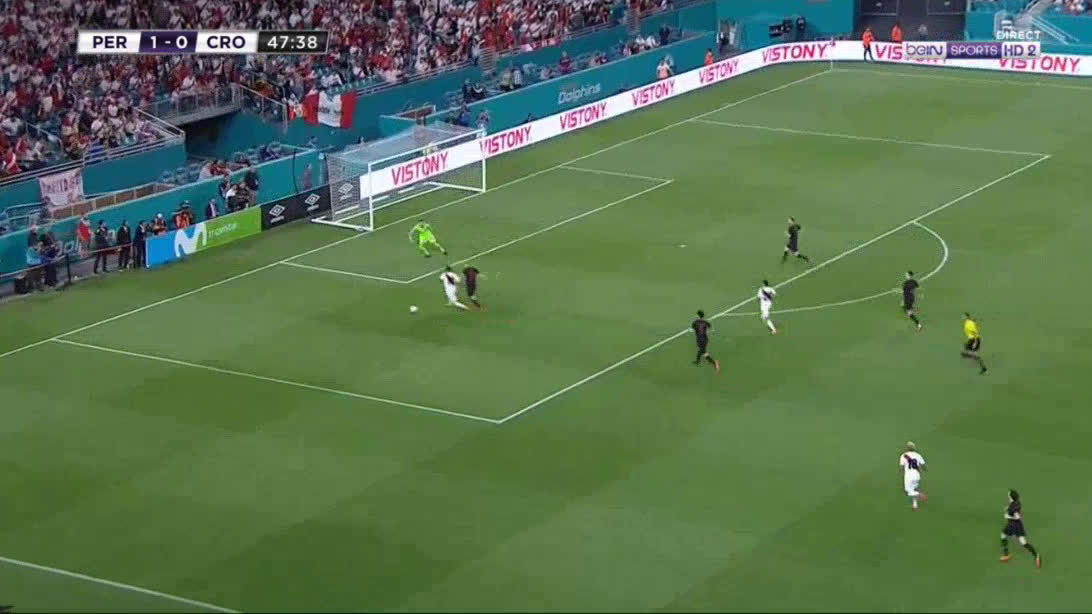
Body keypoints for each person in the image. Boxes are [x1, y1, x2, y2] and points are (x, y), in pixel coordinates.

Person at [1000, 490, 1041, 568]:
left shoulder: (1012, 507)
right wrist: (1008, 508)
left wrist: (1007, 516)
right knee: (1023, 542)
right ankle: (1036, 555)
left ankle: (1006, 555)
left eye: (1009, 493)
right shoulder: (1017, 502)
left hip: (1012, 525)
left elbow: (1018, 517)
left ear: (1011, 496)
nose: (1008, 494)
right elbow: (1017, 511)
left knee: (1003, 536)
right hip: (1018, 525)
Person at [898, 442, 926, 510]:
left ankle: (920, 494)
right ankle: (915, 505)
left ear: (907, 448)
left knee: (908, 491)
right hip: (917, 475)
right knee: (914, 489)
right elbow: (923, 466)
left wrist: (901, 472)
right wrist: (922, 469)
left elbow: (901, 466)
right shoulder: (918, 455)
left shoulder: (904, 455)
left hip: (909, 476)